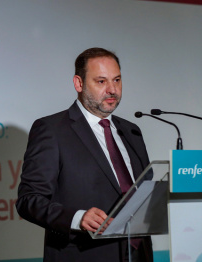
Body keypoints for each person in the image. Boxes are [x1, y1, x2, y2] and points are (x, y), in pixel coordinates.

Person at [16, 47, 153, 262]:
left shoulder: (131, 131)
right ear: (79, 83)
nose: (112, 90)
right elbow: (29, 200)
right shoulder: (52, 130)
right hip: (84, 254)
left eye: (117, 80)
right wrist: (77, 218)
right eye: (101, 81)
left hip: (137, 254)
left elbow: (144, 193)